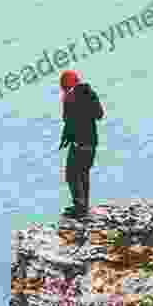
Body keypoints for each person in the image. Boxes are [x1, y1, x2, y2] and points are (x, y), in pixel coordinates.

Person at [58, 70, 104, 220]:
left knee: (72, 175)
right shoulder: (88, 93)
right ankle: (82, 206)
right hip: (90, 141)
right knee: (83, 174)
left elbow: (69, 119)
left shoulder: (73, 96)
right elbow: (99, 114)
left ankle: (80, 207)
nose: (62, 88)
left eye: (63, 85)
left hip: (80, 142)